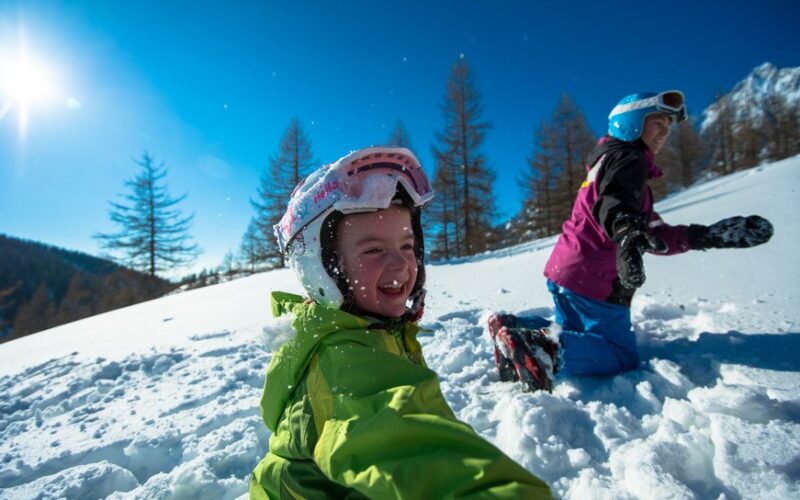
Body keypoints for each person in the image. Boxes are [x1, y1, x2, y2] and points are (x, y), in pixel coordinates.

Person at [250, 146, 552, 498]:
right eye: (373, 250)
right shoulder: (343, 364)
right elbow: (403, 441)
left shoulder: (363, 328)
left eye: (407, 246)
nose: (400, 264)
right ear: (322, 268)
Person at [489, 90, 773, 390]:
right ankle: (544, 350)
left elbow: (649, 228)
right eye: (658, 124)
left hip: (566, 271)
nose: (664, 133)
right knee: (618, 353)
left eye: (668, 128)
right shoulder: (628, 159)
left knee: (571, 329)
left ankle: (513, 330)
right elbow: (616, 205)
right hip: (594, 278)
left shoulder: (608, 161)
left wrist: (704, 236)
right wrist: (627, 233)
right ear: (632, 121)